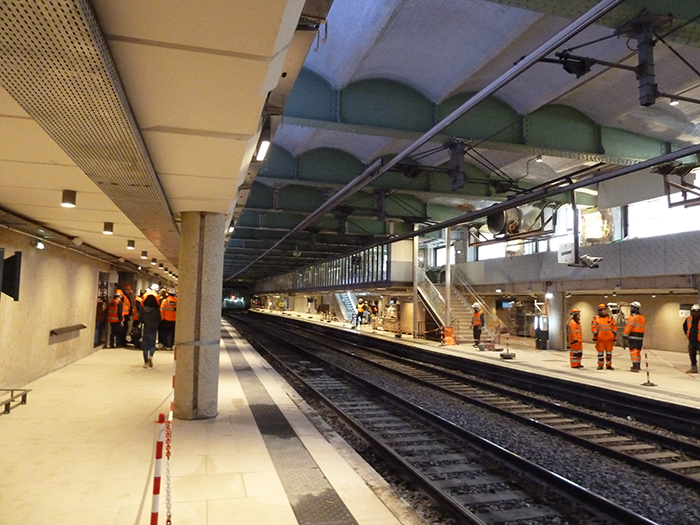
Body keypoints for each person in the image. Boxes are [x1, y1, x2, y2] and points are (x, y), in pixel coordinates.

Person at [591, 303, 616, 370]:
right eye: (603, 310)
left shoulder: (610, 318)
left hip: (609, 339)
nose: (604, 311)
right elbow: (593, 327)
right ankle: (600, 365)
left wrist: (614, 335)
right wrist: (595, 333)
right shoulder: (596, 318)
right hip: (600, 339)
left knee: (609, 353)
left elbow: (614, 327)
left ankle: (609, 365)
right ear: (599, 310)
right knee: (600, 354)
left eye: (605, 310)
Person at [139, 294, 162, 368]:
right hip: (153, 328)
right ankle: (151, 356)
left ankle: (145, 363)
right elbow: (159, 319)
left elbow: (140, 318)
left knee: (145, 347)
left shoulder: (142, 309)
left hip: (145, 328)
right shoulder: (156, 310)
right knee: (152, 345)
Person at [623, 301, 645, 372]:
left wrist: (624, 337)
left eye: (632, 307)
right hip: (640, 338)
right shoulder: (642, 318)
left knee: (633, 352)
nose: (631, 308)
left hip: (633, 337)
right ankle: (638, 365)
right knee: (638, 352)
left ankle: (635, 367)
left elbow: (628, 327)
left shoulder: (632, 317)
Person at [683, 304, 700, 373]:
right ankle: (694, 368)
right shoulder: (688, 319)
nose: (696, 313)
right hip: (692, 340)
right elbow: (684, 327)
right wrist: (687, 334)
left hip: (699, 341)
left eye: (697, 311)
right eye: (694, 311)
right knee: (692, 354)